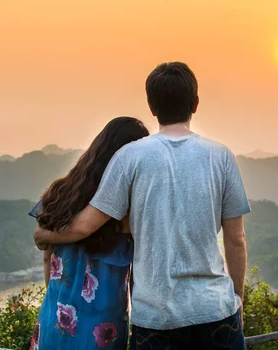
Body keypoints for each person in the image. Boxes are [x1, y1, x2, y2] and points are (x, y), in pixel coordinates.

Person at [34, 62, 250, 350]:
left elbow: (85, 226)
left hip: (156, 318)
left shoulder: (129, 157)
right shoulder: (221, 156)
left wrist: (44, 235)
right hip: (216, 310)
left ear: (151, 106)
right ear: (195, 104)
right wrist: (236, 300)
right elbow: (236, 240)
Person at [28, 116, 150, 350]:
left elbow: (47, 257)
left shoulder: (60, 193)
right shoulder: (127, 210)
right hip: (103, 330)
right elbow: (137, 277)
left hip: (56, 317)